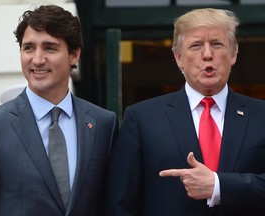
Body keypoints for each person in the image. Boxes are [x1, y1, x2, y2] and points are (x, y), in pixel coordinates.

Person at [104, 8, 265, 216]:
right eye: (196, 46)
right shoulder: (142, 118)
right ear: (179, 57)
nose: (207, 54)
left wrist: (219, 185)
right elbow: (120, 203)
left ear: (233, 53)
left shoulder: (261, 116)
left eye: (217, 44)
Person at [0, 5, 118, 216]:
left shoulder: (104, 123)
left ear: (74, 55)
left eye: (50, 48)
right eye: (29, 48)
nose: (37, 59)